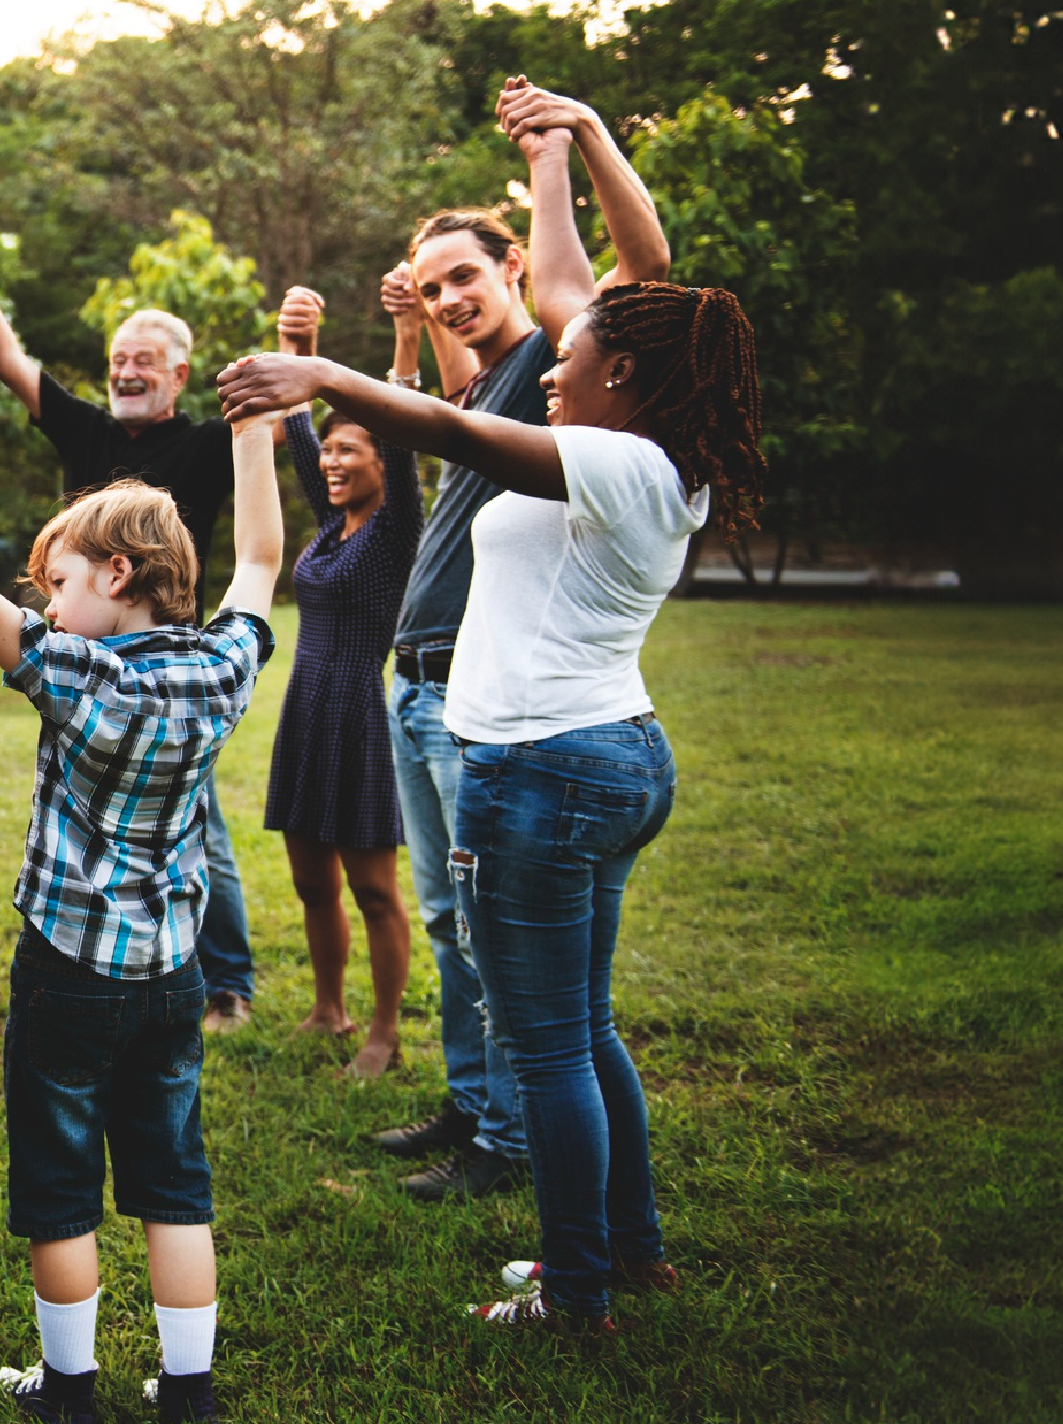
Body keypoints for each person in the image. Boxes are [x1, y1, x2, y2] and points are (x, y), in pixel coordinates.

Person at [221, 278, 769, 1334]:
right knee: (584, 1028)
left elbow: (450, 428)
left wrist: (326, 374)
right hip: (605, 751)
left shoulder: (618, 458)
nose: (550, 371)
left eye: (570, 356)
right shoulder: (659, 466)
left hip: (542, 769)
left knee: (550, 1045)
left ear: (622, 373)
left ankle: (573, 1292)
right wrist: (567, 139)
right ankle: (628, 1246)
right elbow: (513, 367)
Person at [0, 402, 284, 1424]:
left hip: (67, 971)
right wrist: (253, 432)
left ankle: (67, 1393)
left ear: (118, 575)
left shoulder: (77, 673)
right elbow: (263, 558)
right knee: (173, 1178)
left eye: (58, 582)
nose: (47, 604)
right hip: (172, 974)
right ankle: (186, 1394)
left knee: (60, 1184)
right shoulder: (222, 666)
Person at [361, 76, 670, 1203]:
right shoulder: (515, 379)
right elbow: (448, 386)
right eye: (432, 281)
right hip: (426, 680)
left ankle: (508, 1139)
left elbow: (611, 278)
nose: (449, 297)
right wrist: (409, 319)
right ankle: (476, 1098)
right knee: (452, 924)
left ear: (513, 278)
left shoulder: (558, 376)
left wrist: (566, 142)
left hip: (500, 713)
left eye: (465, 278)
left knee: (501, 949)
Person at [0, 215, 295, 1033]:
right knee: (100, 810)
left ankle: (226, 981)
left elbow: (272, 448)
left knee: (193, 825)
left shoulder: (209, 441)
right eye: (118, 361)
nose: (127, 373)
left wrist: (276, 378)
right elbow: (6, 359)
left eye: (144, 361)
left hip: (170, 659)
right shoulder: (88, 429)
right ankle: (121, 954)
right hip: (89, 655)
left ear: (179, 373)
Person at [255, 289, 425, 1079]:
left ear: (382, 462)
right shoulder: (331, 526)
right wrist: (301, 341)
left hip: (357, 710)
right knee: (309, 879)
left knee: (373, 888)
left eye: (348, 450)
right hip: (305, 709)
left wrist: (404, 336)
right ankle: (329, 1008)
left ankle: (385, 1033)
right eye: (327, 453)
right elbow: (294, 425)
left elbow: (399, 421)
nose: (329, 460)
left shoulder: (395, 530)